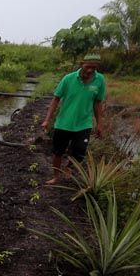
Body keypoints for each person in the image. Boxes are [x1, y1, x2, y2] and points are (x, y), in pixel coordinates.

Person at [41, 53, 106, 185]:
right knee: (58, 152)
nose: (90, 70)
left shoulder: (100, 80)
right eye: (88, 66)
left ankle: (68, 168)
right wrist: (47, 120)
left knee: (79, 152)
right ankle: (56, 176)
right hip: (63, 123)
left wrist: (99, 124)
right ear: (82, 64)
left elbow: (97, 103)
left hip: (84, 124)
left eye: (94, 67)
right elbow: (56, 99)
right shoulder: (68, 79)